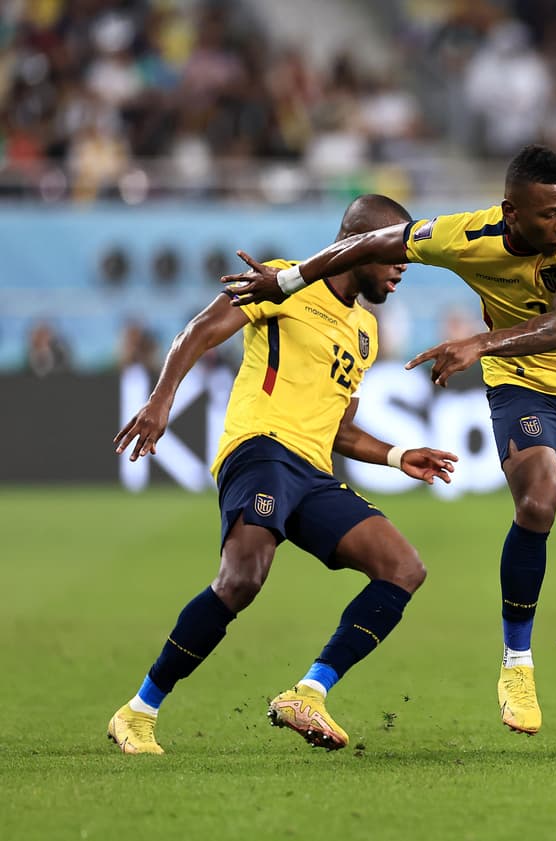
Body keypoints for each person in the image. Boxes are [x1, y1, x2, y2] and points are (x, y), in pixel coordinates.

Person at [220, 145, 556, 757]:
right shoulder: (461, 237)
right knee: (538, 502)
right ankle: (517, 664)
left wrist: (479, 341)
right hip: (521, 382)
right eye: (550, 214)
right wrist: (287, 279)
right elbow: (366, 243)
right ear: (511, 212)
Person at [107, 195, 459, 755]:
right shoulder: (283, 283)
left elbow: (339, 430)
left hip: (313, 472)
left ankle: (309, 692)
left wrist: (396, 456)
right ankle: (139, 710)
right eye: (394, 250)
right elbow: (198, 331)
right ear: (359, 244)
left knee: (403, 568)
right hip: (261, 450)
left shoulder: (365, 330)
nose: (403, 264)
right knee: (242, 578)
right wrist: (159, 401)